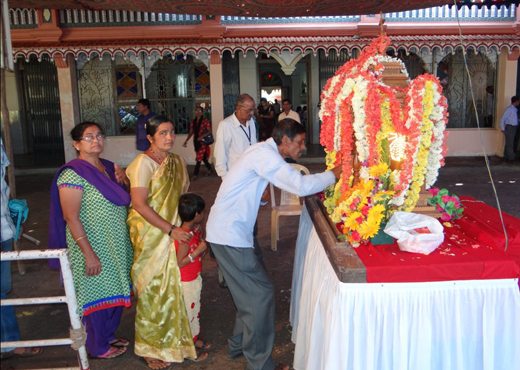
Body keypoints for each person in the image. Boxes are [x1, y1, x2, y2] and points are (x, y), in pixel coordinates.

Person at [206, 119, 342, 370]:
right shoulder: (265, 156)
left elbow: (242, 188)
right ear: (285, 141)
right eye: (299, 142)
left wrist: (260, 198)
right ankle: (259, 363)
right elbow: (300, 186)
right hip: (229, 235)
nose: (302, 148)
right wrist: (334, 174)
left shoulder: (261, 151)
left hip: (232, 232)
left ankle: (237, 346)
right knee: (259, 294)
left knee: (249, 293)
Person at [126, 115, 206, 369]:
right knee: (154, 291)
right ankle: (150, 348)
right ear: (149, 137)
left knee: (176, 289)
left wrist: (190, 223)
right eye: (162, 133)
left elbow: (182, 197)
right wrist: (170, 230)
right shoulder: (143, 164)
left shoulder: (178, 161)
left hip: (176, 231)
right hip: (152, 234)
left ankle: (181, 338)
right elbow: (138, 204)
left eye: (172, 132)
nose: (169, 137)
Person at [49, 122, 133, 359]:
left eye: (99, 135)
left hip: (116, 242)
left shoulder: (108, 167)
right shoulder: (72, 173)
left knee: (115, 289)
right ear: (76, 144)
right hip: (92, 244)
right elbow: (70, 216)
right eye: (88, 137)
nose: (95, 140)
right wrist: (88, 253)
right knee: (95, 294)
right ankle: (97, 345)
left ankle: (108, 334)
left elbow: (122, 199)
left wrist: (124, 180)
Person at [1, 139, 43, 361]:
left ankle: (8, 344)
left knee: (2, 289)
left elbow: (2, 184)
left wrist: (11, 217)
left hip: (3, 229)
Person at [175, 193, 211, 352]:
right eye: (202, 212)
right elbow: (180, 262)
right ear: (196, 214)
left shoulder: (193, 231)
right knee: (188, 312)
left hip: (194, 277)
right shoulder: (184, 236)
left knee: (194, 309)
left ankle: (193, 338)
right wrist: (198, 251)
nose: (203, 214)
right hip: (186, 281)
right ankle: (186, 347)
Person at [214, 94, 258, 178]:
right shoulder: (226, 125)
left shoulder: (251, 122)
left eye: (253, 110)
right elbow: (220, 154)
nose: (252, 113)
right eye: (249, 110)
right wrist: (225, 178)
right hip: (236, 176)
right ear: (239, 108)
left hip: (252, 173)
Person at [182, 106, 214, 181]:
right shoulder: (193, 121)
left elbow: (209, 131)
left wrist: (202, 136)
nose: (198, 112)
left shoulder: (205, 121)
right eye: (196, 111)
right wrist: (186, 140)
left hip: (203, 142)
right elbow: (191, 132)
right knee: (202, 157)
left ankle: (195, 174)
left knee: (199, 158)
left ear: (202, 112)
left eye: (199, 111)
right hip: (196, 141)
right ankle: (210, 168)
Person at [499, 96, 519, 163]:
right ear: (516, 101)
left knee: (509, 142)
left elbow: (513, 118)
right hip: (510, 127)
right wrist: (502, 128)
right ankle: (511, 157)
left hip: (514, 127)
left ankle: (507, 156)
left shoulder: (515, 109)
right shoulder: (509, 109)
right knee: (510, 143)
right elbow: (502, 119)